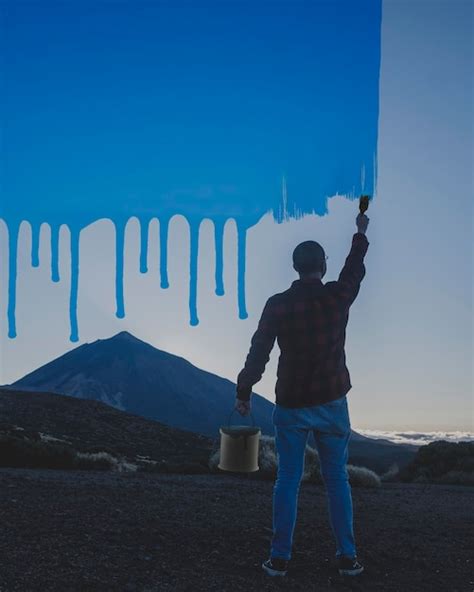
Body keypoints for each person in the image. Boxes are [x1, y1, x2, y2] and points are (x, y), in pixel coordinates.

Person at [234, 211, 370, 578]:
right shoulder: (337, 296)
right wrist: (360, 233)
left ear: (295, 267)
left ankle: (279, 559)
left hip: (291, 403)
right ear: (322, 266)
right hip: (331, 400)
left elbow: (259, 349)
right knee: (337, 478)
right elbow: (353, 269)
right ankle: (347, 557)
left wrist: (244, 390)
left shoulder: (277, 304)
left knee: (288, 479)